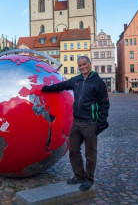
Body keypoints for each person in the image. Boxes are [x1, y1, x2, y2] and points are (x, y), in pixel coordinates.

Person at [41, 56, 110, 191]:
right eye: (80, 65)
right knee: (73, 150)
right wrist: (47, 89)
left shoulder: (98, 82)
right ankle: (78, 175)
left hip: (90, 123)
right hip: (76, 122)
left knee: (90, 154)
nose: (82, 67)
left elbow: (104, 104)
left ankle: (88, 179)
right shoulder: (76, 80)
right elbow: (61, 85)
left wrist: (100, 124)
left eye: (84, 64)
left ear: (90, 64)